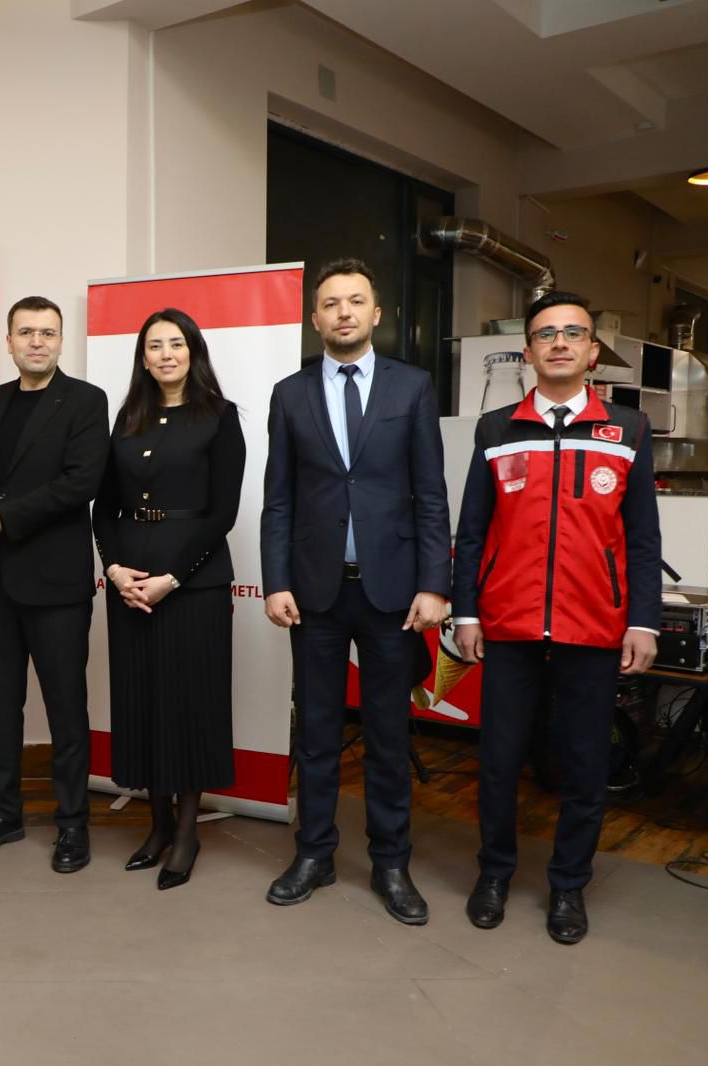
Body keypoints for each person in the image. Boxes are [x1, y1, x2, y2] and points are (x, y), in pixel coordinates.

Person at [452, 290, 660, 945]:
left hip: (593, 625)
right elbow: (472, 530)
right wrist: (465, 612)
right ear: (529, 352)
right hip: (508, 624)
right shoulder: (496, 429)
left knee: (583, 763)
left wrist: (644, 620)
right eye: (547, 334)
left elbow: (643, 537)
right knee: (498, 760)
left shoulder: (627, 429)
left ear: (593, 351)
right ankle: (494, 874)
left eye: (574, 333)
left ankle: (569, 885)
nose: (560, 343)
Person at [259, 258, 449, 924]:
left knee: (388, 736)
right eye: (331, 303)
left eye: (356, 300)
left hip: (392, 592)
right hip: (314, 593)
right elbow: (278, 499)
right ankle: (314, 854)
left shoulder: (412, 387)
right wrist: (276, 580)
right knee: (315, 734)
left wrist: (435, 583)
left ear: (376, 313)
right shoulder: (289, 394)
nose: (344, 312)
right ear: (315, 318)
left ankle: (391, 863)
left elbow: (431, 493)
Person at [0, 296, 110, 873]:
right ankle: (5, 814)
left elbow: (81, 483)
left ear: (61, 341)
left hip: (56, 583)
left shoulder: (86, 400)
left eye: (48, 332)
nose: (37, 341)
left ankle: (73, 824)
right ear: (9, 341)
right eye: (26, 332)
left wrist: (2, 518)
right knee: (0, 705)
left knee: (66, 708)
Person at [92, 308, 246, 890]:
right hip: (130, 581)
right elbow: (103, 506)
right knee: (143, 701)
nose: (165, 354)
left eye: (175, 344)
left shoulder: (220, 417)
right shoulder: (128, 417)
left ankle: (186, 833)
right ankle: (156, 825)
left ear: (193, 351)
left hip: (193, 584)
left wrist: (173, 577)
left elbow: (223, 513)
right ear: (143, 357)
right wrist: (113, 568)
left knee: (189, 703)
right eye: (154, 346)